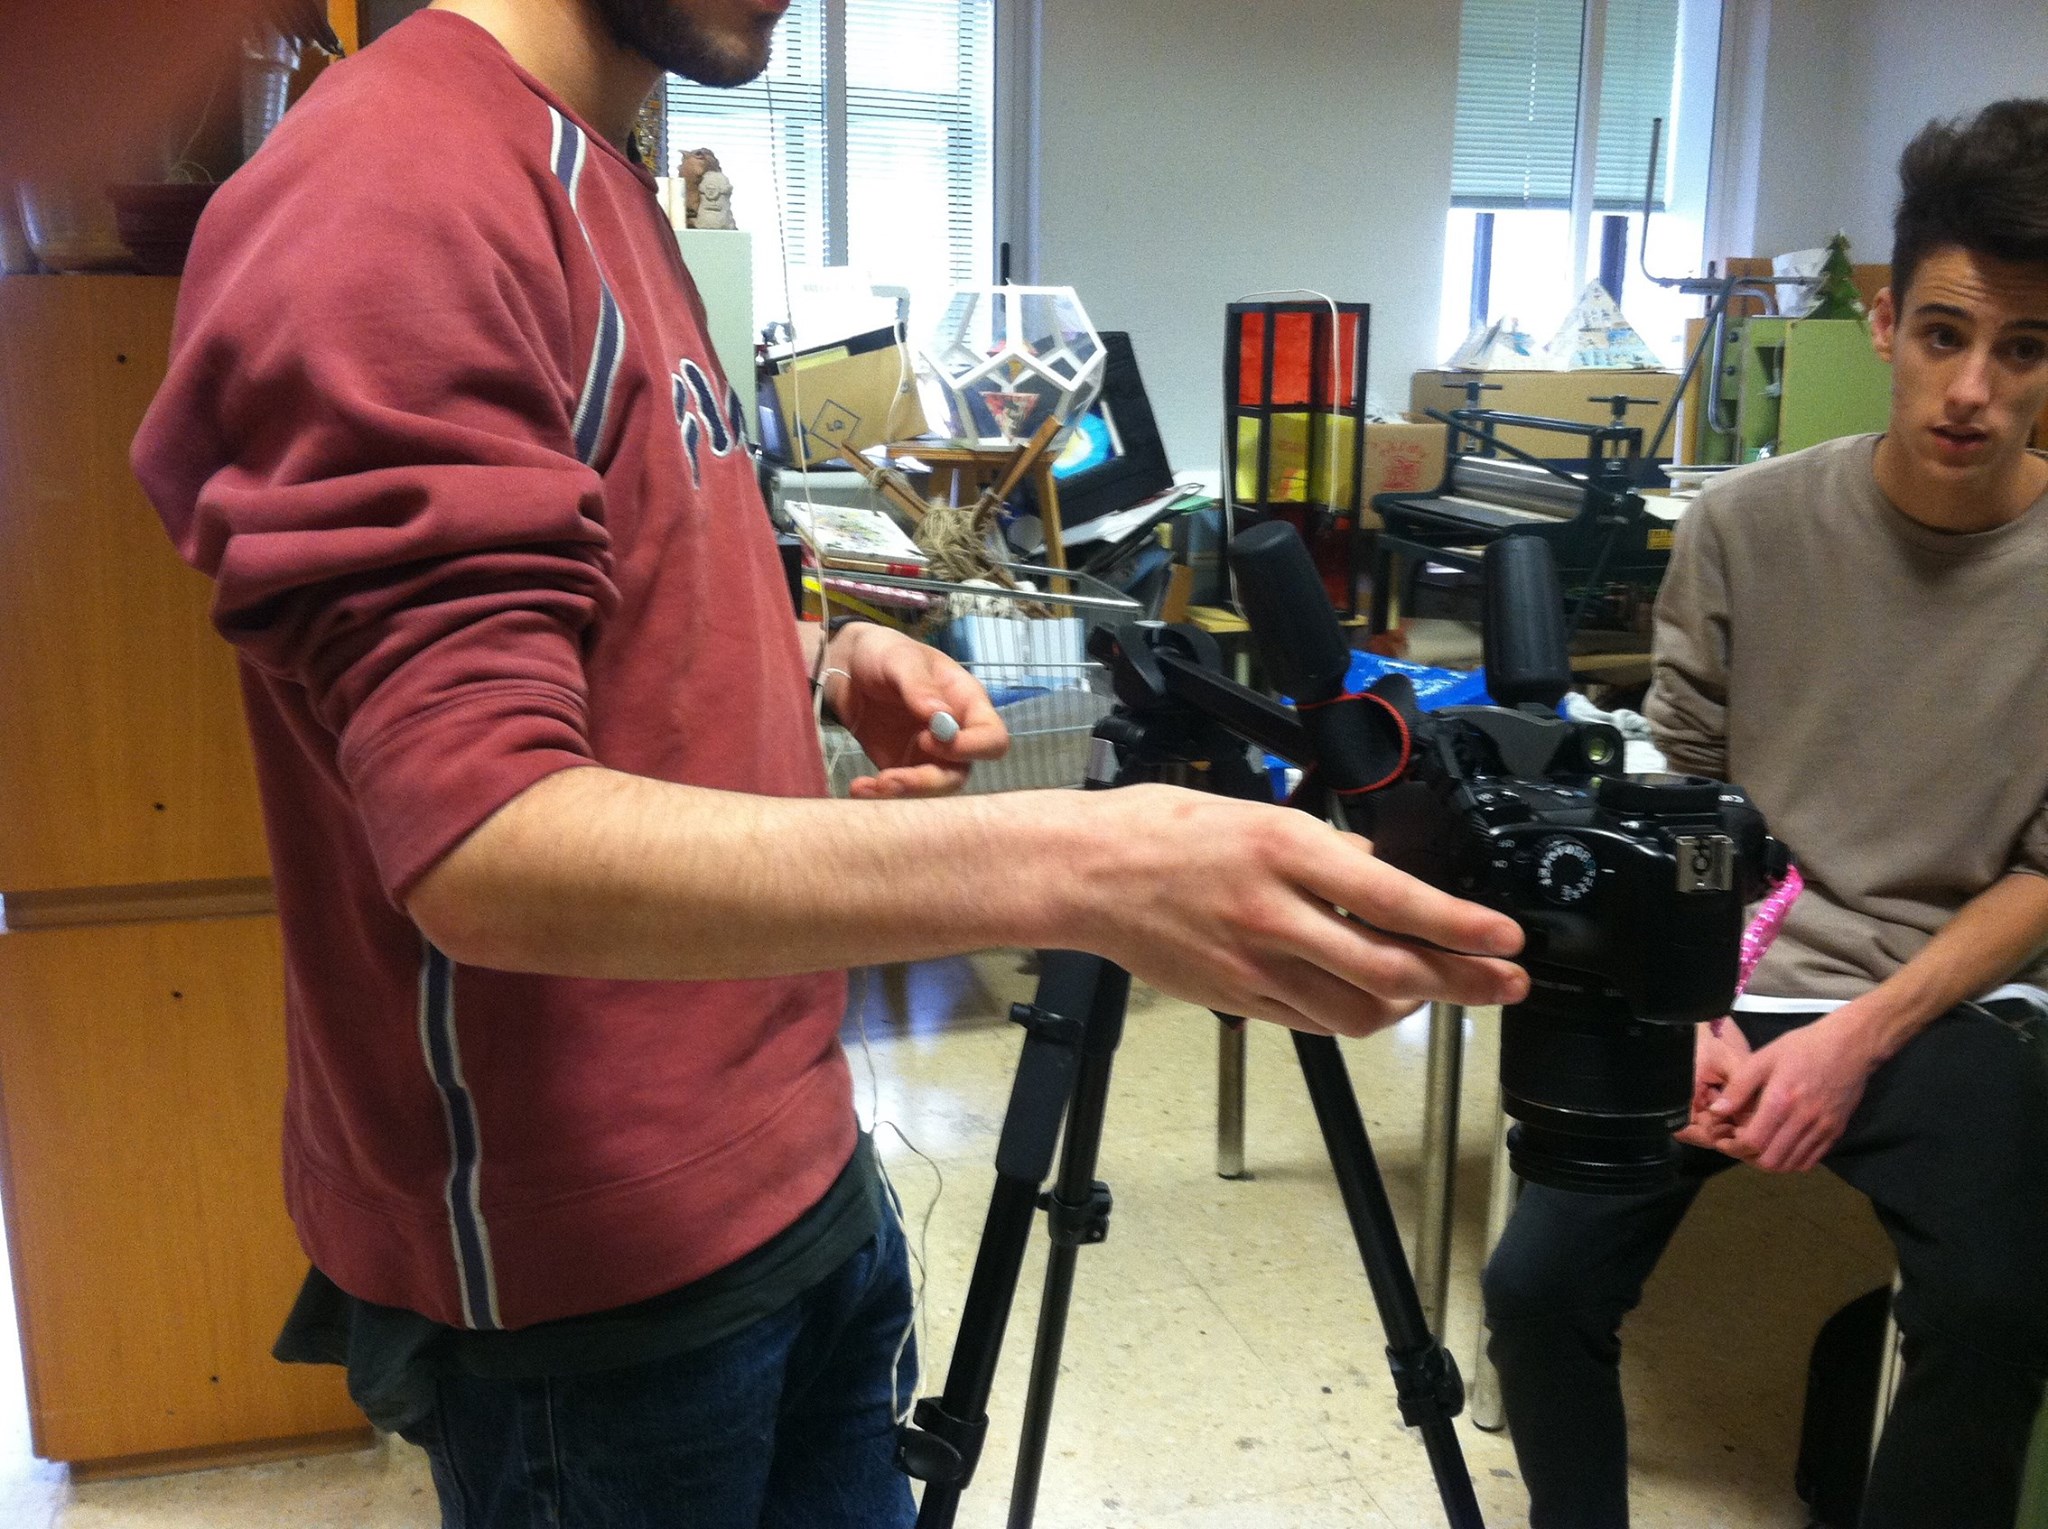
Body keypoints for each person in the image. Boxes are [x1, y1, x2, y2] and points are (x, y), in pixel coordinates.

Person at [129, 1, 1530, 1524]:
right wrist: (1087, 862)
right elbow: (486, 843)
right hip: (596, 1289)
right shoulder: (391, 189)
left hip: (795, 1168)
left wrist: (816, 650)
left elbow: (600, 582)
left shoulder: (601, 170)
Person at [1481, 98, 2048, 1529]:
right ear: (1886, 321)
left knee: (1998, 1311)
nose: (1973, 390)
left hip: (1945, 996)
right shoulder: (1744, 524)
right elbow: (1679, 791)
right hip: (1718, 969)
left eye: (2025, 350)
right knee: (1535, 1287)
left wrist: (1857, 1039)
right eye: (1944, 334)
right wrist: (1688, 1008)